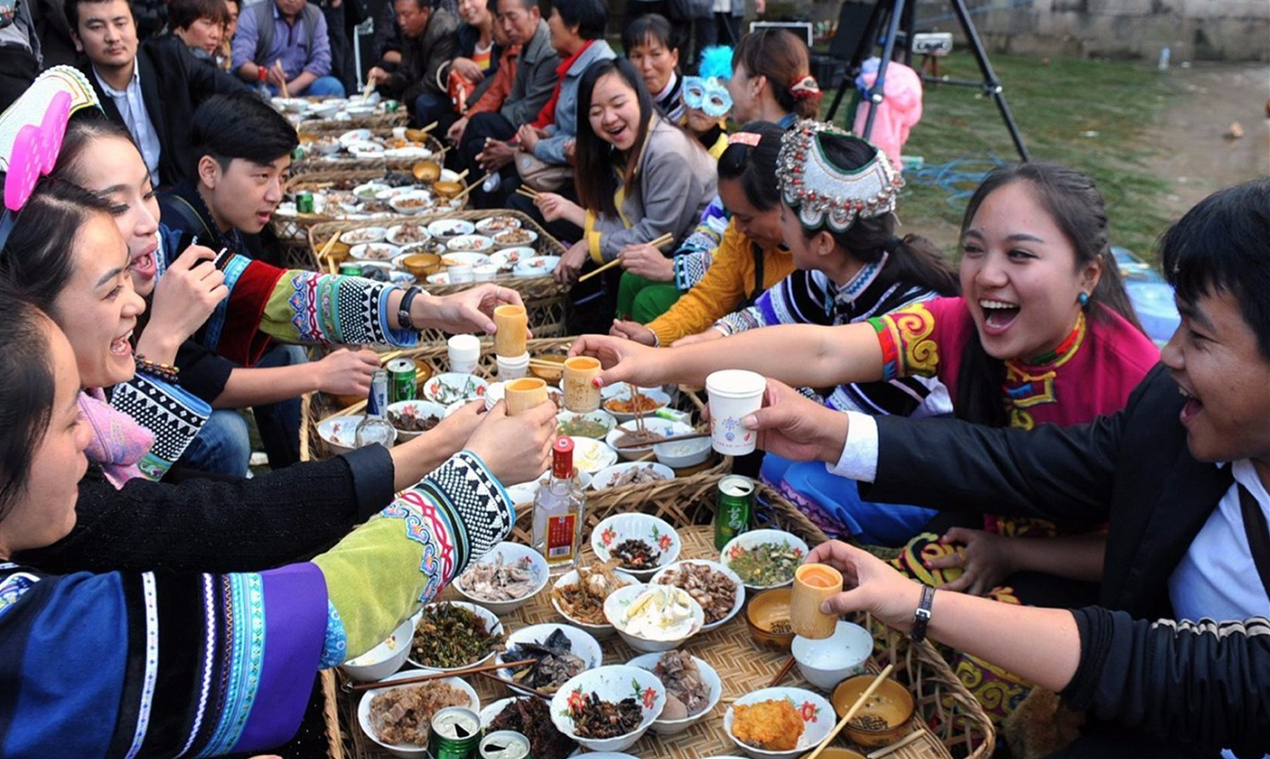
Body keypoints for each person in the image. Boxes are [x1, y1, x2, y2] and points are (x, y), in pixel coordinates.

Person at [738, 177, 1270, 757]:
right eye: (975, 249)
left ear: (1088, 275)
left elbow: (1186, 668)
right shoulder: (1171, 409)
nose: (1171, 355)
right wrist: (829, 433)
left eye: (1198, 334)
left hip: (1106, 638)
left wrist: (923, 604)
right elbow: (1018, 464)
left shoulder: (1130, 373)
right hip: (1033, 581)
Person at [0, 287, 558, 758]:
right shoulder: (42, 638)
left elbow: (259, 289)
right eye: (73, 417)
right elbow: (304, 617)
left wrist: (415, 311)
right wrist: (474, 482)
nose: (89, 437)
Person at [537, 58, 717, 331]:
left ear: (641, 97)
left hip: (700, 262)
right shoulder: (622, 149)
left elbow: (657, 237)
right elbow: (631, 223)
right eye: (596, 111)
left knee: (631, 286)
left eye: (619, 104)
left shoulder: (667, 151)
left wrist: (588, 245)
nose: (609, 118)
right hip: (664, 256)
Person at [608, 122, 796, 337]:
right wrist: (653, 335)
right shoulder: (742, 234)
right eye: (733, 215)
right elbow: (710, 297)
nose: (738, 227)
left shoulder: (812, 262)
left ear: (785, 203)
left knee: (649, 301)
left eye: (746, 217)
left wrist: (673, 268)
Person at [68, 0, 250, 187]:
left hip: (184, 194)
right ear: (76, 38)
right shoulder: (73, 95)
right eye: (97, 27)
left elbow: (239, 96)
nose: (113, 36)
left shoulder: (168, 58)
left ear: (135, 27)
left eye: (120, 23)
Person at [487, 0, 614, 214]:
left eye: (553, 16)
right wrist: (544, 133)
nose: (549, 23)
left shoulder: (598, 71)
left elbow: (581, 143)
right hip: (567, 167)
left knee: (516, 198)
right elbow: (564, 126)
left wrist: (536, 145)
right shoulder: (577, 62)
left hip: (591, 185)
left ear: (574, 26)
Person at [452, 0, 558, 207]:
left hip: (536, 132)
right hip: (519, 124)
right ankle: (477, 208)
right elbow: (509, 97)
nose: (506, 26)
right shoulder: (522, 45)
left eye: (512, 17)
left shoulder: (548, 51)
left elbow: (530, 111)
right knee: (477, 144)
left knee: (480, 124)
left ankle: (471, 200)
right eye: (501, 19)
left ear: (534, 14)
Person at [366, 0, 459, 128]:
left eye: (407, 15)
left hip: (447, 95)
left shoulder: (443, 29)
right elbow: (406, 73)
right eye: (398, 15)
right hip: (423, 87)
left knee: (423, 102)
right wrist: (387, 78)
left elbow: (434, 81)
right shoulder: (410, 31)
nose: (401, 21)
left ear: (424, 12)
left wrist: (405, 98)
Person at [231, 0, 345, 97]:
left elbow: (322, 61)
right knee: (243, 94)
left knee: (332, 87)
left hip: (300, 85)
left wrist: (291, 88)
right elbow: (240, 62)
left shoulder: (315, 16)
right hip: (262, 85)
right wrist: (266, 74)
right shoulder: (252, 15)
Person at [728, 27, 820, 130]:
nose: (728, 84)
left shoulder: (765, 145)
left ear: (757, 84)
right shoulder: (808, 139)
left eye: (732, 73)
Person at [623, 14, 683, 122]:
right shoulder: (622, 99)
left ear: (674, 57)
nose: (646, 66)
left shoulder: (695, 100)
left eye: (656, 54)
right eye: (637, 56)